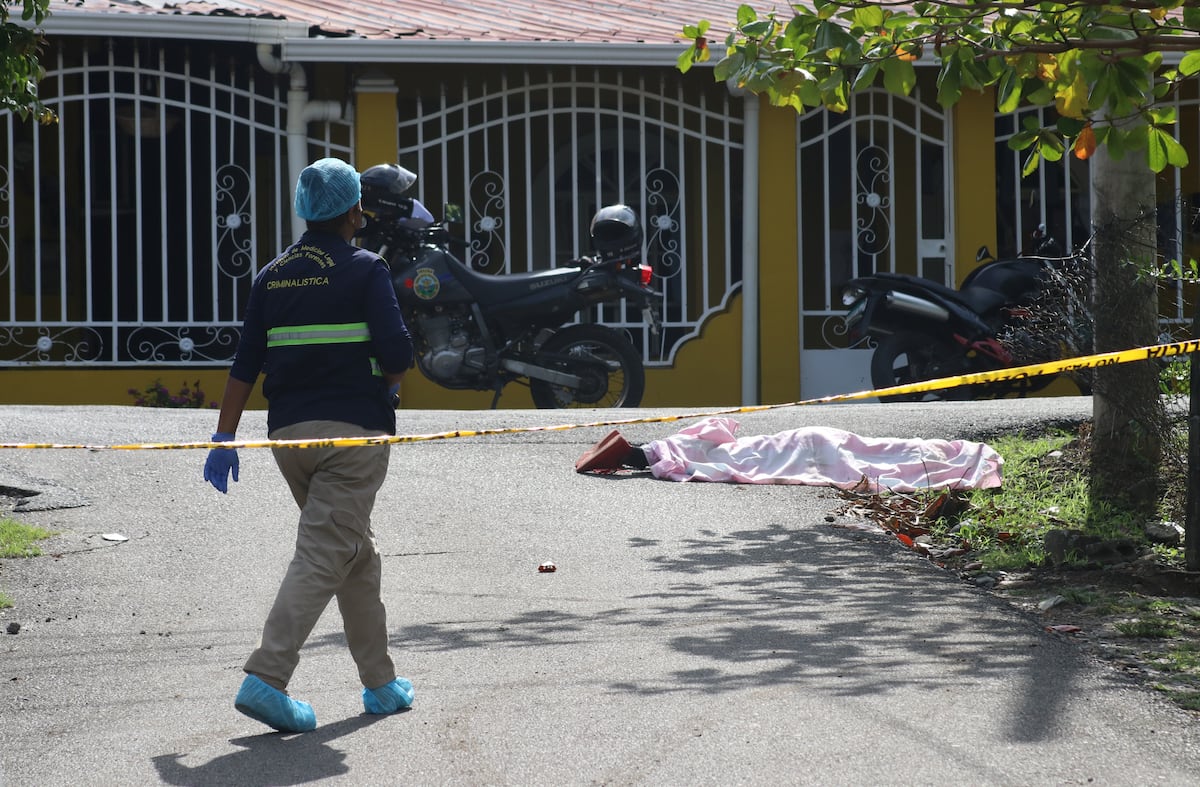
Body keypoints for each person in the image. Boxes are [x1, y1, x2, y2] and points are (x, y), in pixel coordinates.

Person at [202, 157, 416, 734]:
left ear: (304, 210)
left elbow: (245, 363)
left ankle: (381, 683)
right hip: (353, 437)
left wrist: (224, 436)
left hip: (289, 438)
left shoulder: (272, 275)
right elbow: (397, 356)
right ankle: (266, 677)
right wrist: (388, 389)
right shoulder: (367, 268)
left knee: (354, 553)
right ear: (354, 210)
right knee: (327, 551)